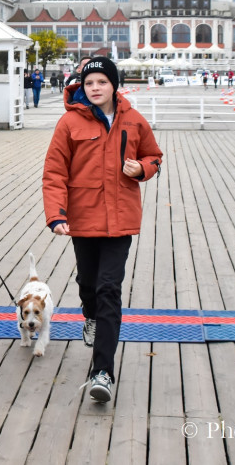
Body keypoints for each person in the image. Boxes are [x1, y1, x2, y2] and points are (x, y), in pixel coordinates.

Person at [43, 57, 163, 403]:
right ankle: (90, 315)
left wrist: (140, 168)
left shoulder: (133, 120)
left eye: (101, 82)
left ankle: (103, 371)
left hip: (120, 219)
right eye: (89, 83)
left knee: (110, 289)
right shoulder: (69, 123)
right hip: (82, 218)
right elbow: (54, 172)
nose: (94, 88)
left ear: (114, 85)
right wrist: (56, 214)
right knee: (89, 285)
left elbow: (154, 156)